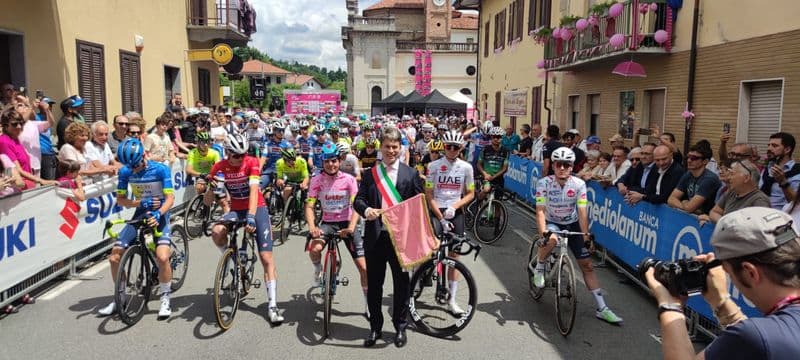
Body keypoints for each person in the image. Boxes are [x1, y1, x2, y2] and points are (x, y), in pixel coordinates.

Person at [645, 207, 800, 359]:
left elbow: (759, 341)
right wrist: (721, 302)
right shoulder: (773, 334)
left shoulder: (757, 337)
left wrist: (670, 306)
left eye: (728, 272)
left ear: (750, 272)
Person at [533, 147, 623, 324]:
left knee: (587, 265)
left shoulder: (579, 184)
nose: (562, 168)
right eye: (558, 164)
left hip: (571, 222)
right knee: (550, 240)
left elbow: (582, 212)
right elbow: (540, 211)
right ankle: (540, 266)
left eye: (566, 165)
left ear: (572, 166)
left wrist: (586, 236)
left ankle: (602, 308)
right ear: (553, 165)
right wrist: (543, 233)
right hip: (552, 221)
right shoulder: (544, 183)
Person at [354, 126, 423, 348]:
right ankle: (375, 327)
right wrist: (366, 211)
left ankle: (400, 327)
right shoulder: (370, 175)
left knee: (402, 285)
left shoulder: (410, 174)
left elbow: (419, 207)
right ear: (380, 148)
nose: (391, 151)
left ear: (400, 148)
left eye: (395, 147)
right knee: (375, 285)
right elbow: (358, 200)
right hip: (375, 238)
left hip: (400, 240)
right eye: (387, 147)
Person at [206, 133, 284, 324]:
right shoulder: (219, 166)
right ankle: (231, 258)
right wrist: (210, 187)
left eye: (243, 154)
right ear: (227, 152)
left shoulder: (251, 162)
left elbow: (253, 191)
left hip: (257, 208)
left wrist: (250, 216)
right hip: (236, 209)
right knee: (216, 232)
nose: (241, 158)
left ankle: (272, 305)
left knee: (266, 257)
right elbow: (208, 201)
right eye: (236, 155)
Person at [99, 138, 175, 318]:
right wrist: (140, 202)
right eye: (130, 166)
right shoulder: (126, 171)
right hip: (140, 213)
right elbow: (121, 200)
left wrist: (159, 213)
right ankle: (121, 297)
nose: (134, 169)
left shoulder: (160, 169)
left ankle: (166, 297)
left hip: (160, 213)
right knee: (114, 257)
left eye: (136, 165)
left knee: (162, 257)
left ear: (144, 155)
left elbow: (170, 199)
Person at [305, 143, 368, 316]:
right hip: (328, 222)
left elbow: (356, 205)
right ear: (322, 162)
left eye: (333, 161)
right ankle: (318, 270)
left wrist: (351, 227)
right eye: (327, 162)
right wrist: (312, 228)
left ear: (339, 161)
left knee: (363, 268)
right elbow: (310, 206)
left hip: (348, 223)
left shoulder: (349, 180)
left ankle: (367, 303)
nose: (331, 165)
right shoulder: (317, 180)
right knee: (314, 249)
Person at [425, 130, 474, 315]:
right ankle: (423, 272)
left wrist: (455, 206)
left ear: (461, 148)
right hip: (437, 209)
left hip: (456, 210)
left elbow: (470, 193)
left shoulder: (466, 168)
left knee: (454, 256)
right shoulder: (433, 166)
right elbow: (429, 194)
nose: (452, 150)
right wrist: (439, 216)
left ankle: (452, 300)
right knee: (432, 247)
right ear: (444, 147)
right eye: (448, 147)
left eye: (456, 147)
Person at [699, 160, 770, 225]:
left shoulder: (760, 200)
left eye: (732, 174)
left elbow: (757, 228)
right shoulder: (731, 192)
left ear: (746, 178)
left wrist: (724, 223)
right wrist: (722, 222)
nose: (729, 177)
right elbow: (714, 212)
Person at [0, 106, 56, 189]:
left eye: (21, 123)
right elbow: (15, 169)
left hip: (28, 181)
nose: (19, 126)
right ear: (5, 126)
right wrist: (41, 181)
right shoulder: (4, 141)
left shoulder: (15, 138)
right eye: (14, 124)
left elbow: (51, 123)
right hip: (17, 187)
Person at [668, 143, 722, 215]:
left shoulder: (709, 179)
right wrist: (685, 205)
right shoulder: (688, 174)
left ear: (705, 161)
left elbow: (690, 208)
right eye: (688, 157)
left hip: (706, 221)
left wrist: (686, 204)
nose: (689, 160)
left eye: (694, 158)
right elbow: (671, 199)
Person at [760, 132, 800, 210]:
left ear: (787, 149)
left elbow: (796, 203)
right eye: (769, 145)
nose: (769, 149)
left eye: (774, 146)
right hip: (761, 213)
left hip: (782, 217)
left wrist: (783, 182)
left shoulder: (797, 172)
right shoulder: (767, 168)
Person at [184, 132, 221, 197]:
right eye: (203, 142)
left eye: (207, 142)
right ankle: (203, 203)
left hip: (212, 174)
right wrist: (201, 175)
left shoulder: (215, 153)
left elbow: (219, 168)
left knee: (221, 198)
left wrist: (213, 176)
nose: (206, 145)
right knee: (199, 188)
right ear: (198, 143)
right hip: (200, 175)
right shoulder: (192, 152)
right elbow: (188, 170)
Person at [477, 126, 509, 201]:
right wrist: (485, 174)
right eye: (494, 137)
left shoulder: (505, 151)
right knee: (486, 189)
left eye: (498, 137)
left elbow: (505, 169)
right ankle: (477, 202)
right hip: (486, 177)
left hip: (498, 178)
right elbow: (479, 164)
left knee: (498, 202)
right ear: (491, 137)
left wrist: (494, 177)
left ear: (501, 138)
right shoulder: (485, 149)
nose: (496, 139)